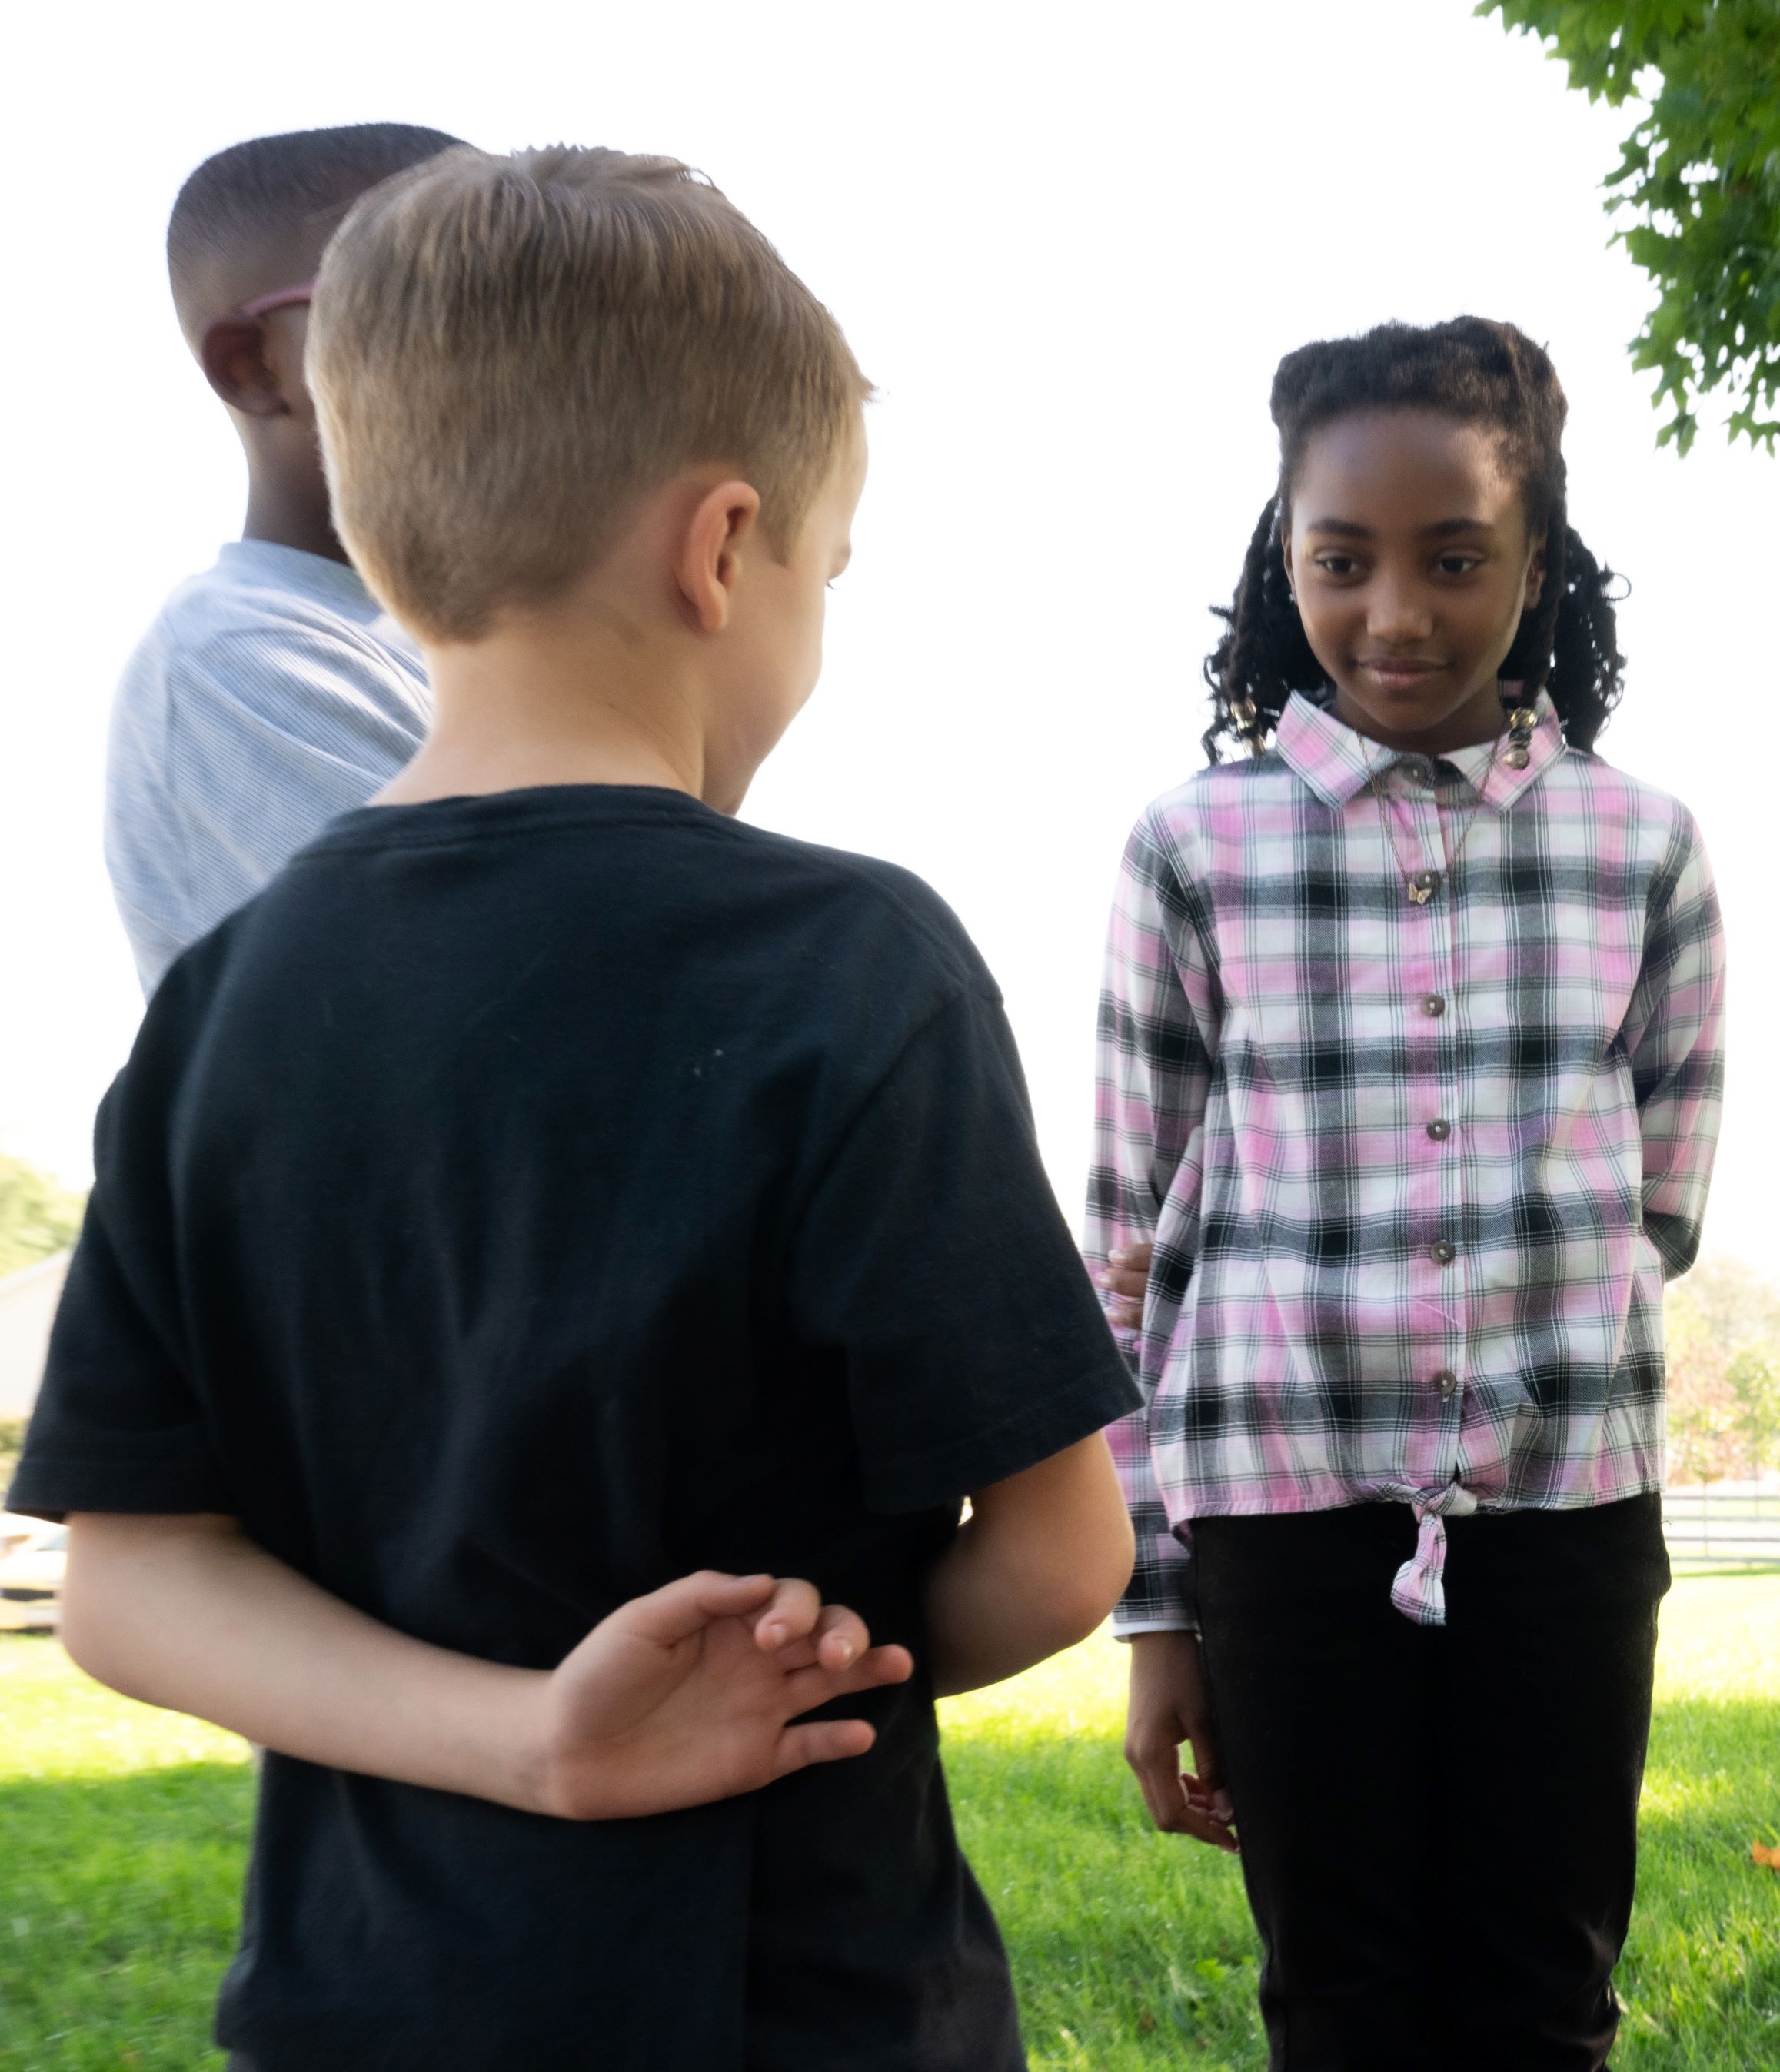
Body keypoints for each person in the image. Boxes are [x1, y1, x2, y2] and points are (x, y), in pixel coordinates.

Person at [8, 146, 1140, 2072]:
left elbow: (129, 1583)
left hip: (364, 2006)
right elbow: (1058, 1550)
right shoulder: (852, 962)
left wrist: (538, 1742)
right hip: (799, 2003)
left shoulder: (221, 1002)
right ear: (721, 550)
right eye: (823, 570)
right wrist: (789, 1676)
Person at [1088, 316, 1727, 2070]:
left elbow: (1654, 1208)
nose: (1395, 613)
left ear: (1537, 565)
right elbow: (1129, 1259)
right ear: (1280, 561)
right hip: (1283, 1531)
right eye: (1341, 560)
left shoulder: (1643, 848)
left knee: (1542, 1990)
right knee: (1344, 1999)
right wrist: (1160, 1612)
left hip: (1567, 1514)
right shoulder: (1192, 849)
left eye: (1455, 560)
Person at [108, 123, 467, 994]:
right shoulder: (243, 657)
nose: (520, 354)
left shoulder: (474, 652)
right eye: (445, 300)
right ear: (253, 367)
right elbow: (520, 990)